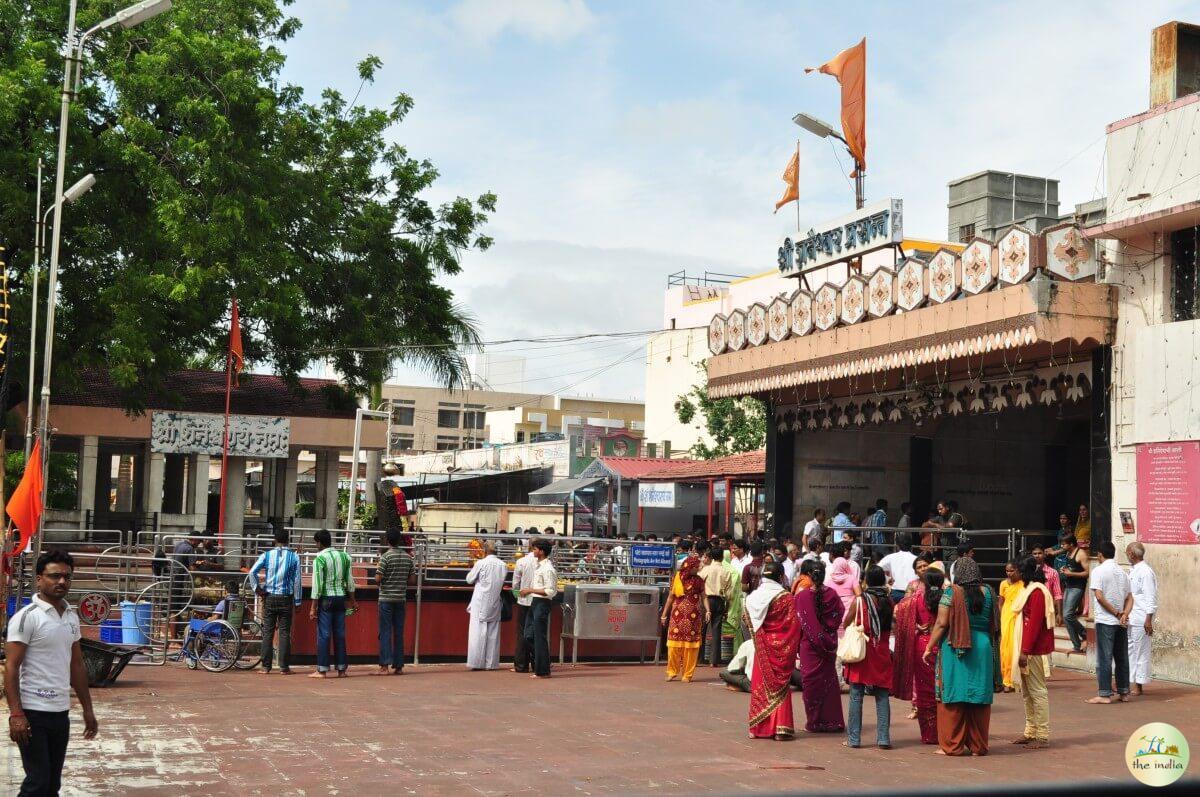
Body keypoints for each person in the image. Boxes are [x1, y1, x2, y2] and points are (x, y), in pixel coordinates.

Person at [5, 550, 98, 796]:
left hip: (60, 712)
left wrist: (88, 710)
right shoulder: (27, 618)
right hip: (33, 712)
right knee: (37, 782)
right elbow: (11, 667)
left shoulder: (71, 617)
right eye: (55, 576)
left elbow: (76, 665)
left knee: (51, 785)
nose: (61, 581)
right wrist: (16, 714)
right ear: (39, 579)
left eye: (67, 577)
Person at [924, 557, 997, 757]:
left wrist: (929, 647)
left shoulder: (952, 592)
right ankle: (978, 746)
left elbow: (941, 623)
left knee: (954, 693)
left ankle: (952, 745)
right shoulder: (989, 592)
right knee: (979, 695)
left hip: (956, 645)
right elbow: (993, 622)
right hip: (982, 646)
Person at [745, 561, 799, 740]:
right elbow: (793, 626)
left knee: (760, 686)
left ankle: (758, 728)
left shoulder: (752, 598)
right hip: (781, 649)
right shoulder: (786, 598)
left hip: (762, 650)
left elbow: (750, 622)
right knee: (781, 687)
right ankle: (780, 729)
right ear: (781, 577)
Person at [842, 565, 895, 749]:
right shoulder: (888, 600)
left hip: (863, 651)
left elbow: (846, 622)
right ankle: (883, 738)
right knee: (882, 695)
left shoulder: (860, 601)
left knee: (856, 695)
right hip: (881, 651)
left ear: (866, 581)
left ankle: (854, 739)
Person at [793, 558, 845, 733]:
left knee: (811, 684)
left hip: (809, 647)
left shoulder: (801, 597)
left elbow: (799, 623)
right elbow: (838, 616)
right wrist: (826, 633)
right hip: (829, 645)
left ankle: (814, 722)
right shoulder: (833, 594)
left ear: (809, 575)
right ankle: (832, 721)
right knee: (829, 683)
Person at [893, 567, 944, 745]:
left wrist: (916, 626)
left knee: (924, 690)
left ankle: (930, 734)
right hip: (943, 645)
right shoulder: (947, 598)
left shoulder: (916, 599)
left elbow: (898, 612)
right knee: (943, 689)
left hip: (922, 646)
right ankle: (946, 732)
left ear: (925, 583)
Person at [1009, 556, 1055, 750]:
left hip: (1033, 650)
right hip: (1027, 647)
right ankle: (1030, 731)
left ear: (1024, 572)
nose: (1013, 574)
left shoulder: (1036, 592)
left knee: (1037, 691)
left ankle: (1042, 735)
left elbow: (1034, 624)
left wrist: (1025, 651)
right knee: (1027, 692)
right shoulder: (1029, 590)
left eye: (1017, 571)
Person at [246, 526, 303, 674]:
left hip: (269, 597)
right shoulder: (294, 557)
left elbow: (252, 573)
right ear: (288, 540)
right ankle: (284, 667)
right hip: (286, 598)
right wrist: (298, 601)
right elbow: (297, 581)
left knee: (268, 632)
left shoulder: (266, 555)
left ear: (274, 540)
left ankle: (265, 666)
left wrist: (258, 590)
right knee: (284, 633)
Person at [1086, 541, 1133, 704]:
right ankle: (1124, 692)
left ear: (1100, 554)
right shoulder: (1123, 572)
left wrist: (1117, 613)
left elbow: (1099, 597)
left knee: (1104, 658)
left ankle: (1105, 694)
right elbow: (1130, 597)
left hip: (1106, 620)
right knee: (1122, 657)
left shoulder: (1098, 571)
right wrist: (1124, 614)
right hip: (1120, 621)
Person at [309, 529, 357, 679]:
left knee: (324, 634)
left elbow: (317, 585)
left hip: (326, 599)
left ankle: (322, 670)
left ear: (319, 543)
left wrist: (313, 608)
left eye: (316, 543)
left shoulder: (319, 559)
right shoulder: (345, 557)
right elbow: (350, 582)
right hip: (341, 598)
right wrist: (353, 601)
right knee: (340, 634)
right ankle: (342, 670)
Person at [661, 552, 707, 683]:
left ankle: (687, 674)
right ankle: (672, 672)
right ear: (689, 567)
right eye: (696, 567)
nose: (698, 569)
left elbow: (704, 597)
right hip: (677, 617)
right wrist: (664, 615)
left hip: (693, 618)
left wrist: (708, 610)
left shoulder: (699, 581)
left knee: (691, 647)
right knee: (673, 647)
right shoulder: (677, 578)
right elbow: (670, 598)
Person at [375, 528, 414, 675]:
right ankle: (399, 666)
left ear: (387, 540)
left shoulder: (385, 557)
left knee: (385, 632)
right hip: (400, 599)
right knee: (399, 632)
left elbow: (378, 578)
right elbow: (412, 580)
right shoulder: (408, 558)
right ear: (399, 540)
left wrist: (383, 582)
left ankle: (384, 666)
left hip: (386, 599)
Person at [465, 541, 507, 671]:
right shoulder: (503, 565)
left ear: (484, 551)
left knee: (477, 632)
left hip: (480, 601)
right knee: (493, 633)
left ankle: (476, 663)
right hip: (495, 600)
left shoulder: (481, 563)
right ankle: (491, 664)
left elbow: (469, 579)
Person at [520, 539, 557, 678]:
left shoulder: (548, 569)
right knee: (528, 635)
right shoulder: (539, 566)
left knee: (539, 636)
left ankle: (543, 670)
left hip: (542, 603)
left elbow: (550, 591)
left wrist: (530, 590)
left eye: (535, 549)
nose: (533, 551)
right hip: (535, 602)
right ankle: (543, 663)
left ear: (541, 551)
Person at [1126, 542, 1157, 695]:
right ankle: (1128, 682)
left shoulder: (1146, 572)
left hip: (1141, 618)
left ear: (1132, 554)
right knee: (1130, 651)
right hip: (1131, 617)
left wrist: (1148, 619)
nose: (1127, 555)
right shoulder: (1132, 570)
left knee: (1141, 652)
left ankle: (1139, 685)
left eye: (1127, 552)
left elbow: (1151, 596)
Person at [697, 543, 731, 668]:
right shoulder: (726, 571)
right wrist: (726, 607)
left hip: (706, 600)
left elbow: (698, 583)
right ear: (722, 557)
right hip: (720, 600)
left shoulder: (706, 569)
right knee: (716, 630)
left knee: (702, 629)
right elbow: (729, 593)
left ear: (711, 557)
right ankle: (714, 660)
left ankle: (698, 658)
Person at [510, 537, 539, 674]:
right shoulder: (545, 562)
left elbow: (515, 584)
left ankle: (521, 665)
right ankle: (537, 664)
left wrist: (517, 595)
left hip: (524, 601)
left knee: (522, 632)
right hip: (538, 600)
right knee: (537, 632)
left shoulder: (521, 561)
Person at [1057, 535, 1090, 653]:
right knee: (1067, 618)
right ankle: (1076, 645)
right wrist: (1065, 570)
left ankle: (1085, 633)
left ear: (1071, 544)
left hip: (1077, 587)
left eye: (1064, 544)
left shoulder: (1081, 554)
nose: (1062, 546)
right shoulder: (1068, 553)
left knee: (1067, 615)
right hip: (1069, 586)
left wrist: (1071, 574)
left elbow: (1087, 573)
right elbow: (1072, 568)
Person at [998, 560, 1024, 692]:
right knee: (1005, 649)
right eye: (1007, 571)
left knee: (1016, 648)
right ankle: (1006, 680)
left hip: (1018, 617)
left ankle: (1016, 679)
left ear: (1018, 571)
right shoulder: (1003, 584)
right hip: (1006, 617)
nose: (1009, 573)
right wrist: (999, 618)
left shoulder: (1023, 584)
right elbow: (1001, 603)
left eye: (1012, 571)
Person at [879, 533, 917, 604]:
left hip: (895, 594)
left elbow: (877, 569)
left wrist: (886, 581)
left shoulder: (890, 557)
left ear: (897, 545)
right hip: (912, 594)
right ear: (911, 545)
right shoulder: (916, 559)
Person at [1030, 545, 1063, 625]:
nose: (1037, 556)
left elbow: (1058, 594)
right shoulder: (1027, 571)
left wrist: (1059, 614)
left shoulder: (1053, 572)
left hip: (1047, 608)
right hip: (1030, 608)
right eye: (1035, 554)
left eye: (1039, 553)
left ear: (1044, 554)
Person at [828, 541, 861, 622]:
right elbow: (859, 595)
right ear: (845, 565)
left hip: (834, 615)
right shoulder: (852, 578)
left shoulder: (828, 582)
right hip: (850, 615)